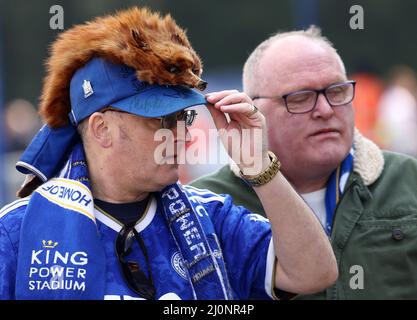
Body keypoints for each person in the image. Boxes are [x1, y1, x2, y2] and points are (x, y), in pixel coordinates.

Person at [0, 8, 337, 300]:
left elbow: (315, 274)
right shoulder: (16, 232)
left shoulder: (212, 216)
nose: (182, 135)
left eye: (183, 117)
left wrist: (259, 166)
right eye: (163, 120)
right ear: (102, 129)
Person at [192, 26, 417, 299]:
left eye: (337, 92)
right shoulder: (207, 205)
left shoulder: (407, 180)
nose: (325, 110)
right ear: (249, 109)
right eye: (300, 98)